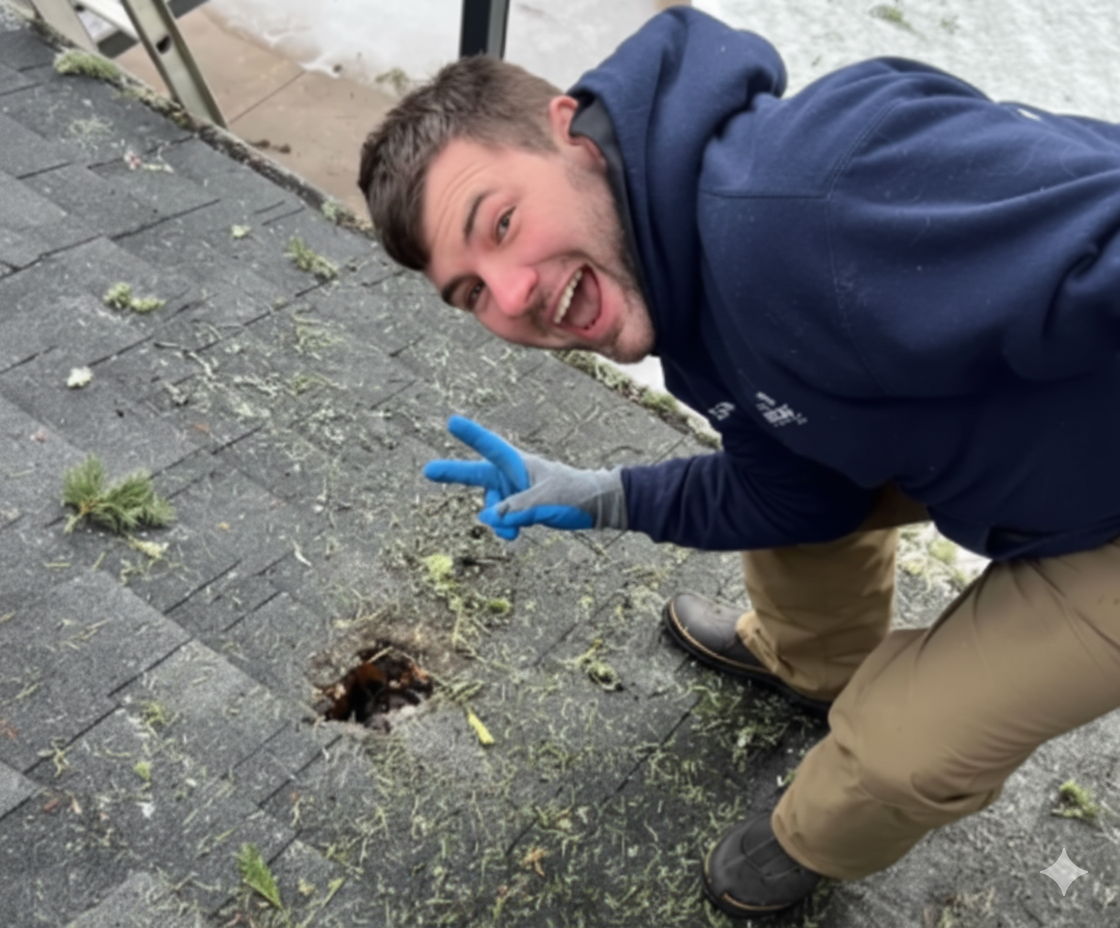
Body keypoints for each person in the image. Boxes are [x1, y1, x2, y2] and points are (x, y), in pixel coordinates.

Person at [358, 6, 1120, 918]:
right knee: (807, 482)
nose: (516, 293)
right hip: (1002, 458)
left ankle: (813, 837)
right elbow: (791, 495)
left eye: (503, 221)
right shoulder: (679, 281)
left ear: (569, 130)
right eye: (472, 291)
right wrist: (610, 497)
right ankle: (808, 665)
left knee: (901, 745)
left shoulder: (817, 196)